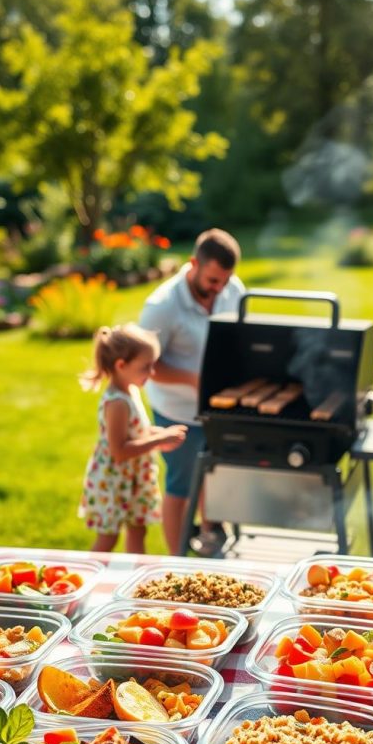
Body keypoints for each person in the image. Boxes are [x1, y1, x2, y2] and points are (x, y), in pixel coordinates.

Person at [139, 228, 244, 555]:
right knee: (181, 486)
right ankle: (178, 558)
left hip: (218, 408)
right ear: (193, 264)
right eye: (213, 281)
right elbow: (146, 365)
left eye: (225, 281)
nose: (219, 290)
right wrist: (195, 380)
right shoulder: (162, 305)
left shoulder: (233, 290)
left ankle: (210, 533)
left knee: (215, 475)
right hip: (177, 411)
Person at [79, 323, 187, 553]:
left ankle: (136, 581)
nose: (152, 373)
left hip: (134, 480)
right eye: (145, 367)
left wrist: (161, 435)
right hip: (114, 482)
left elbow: (137, 431)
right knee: (109, 537)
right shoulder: (117, 403)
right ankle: (88, 577)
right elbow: (120, 450)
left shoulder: (131, 391)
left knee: (139, 530)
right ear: (121, 365)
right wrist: (158, 441)